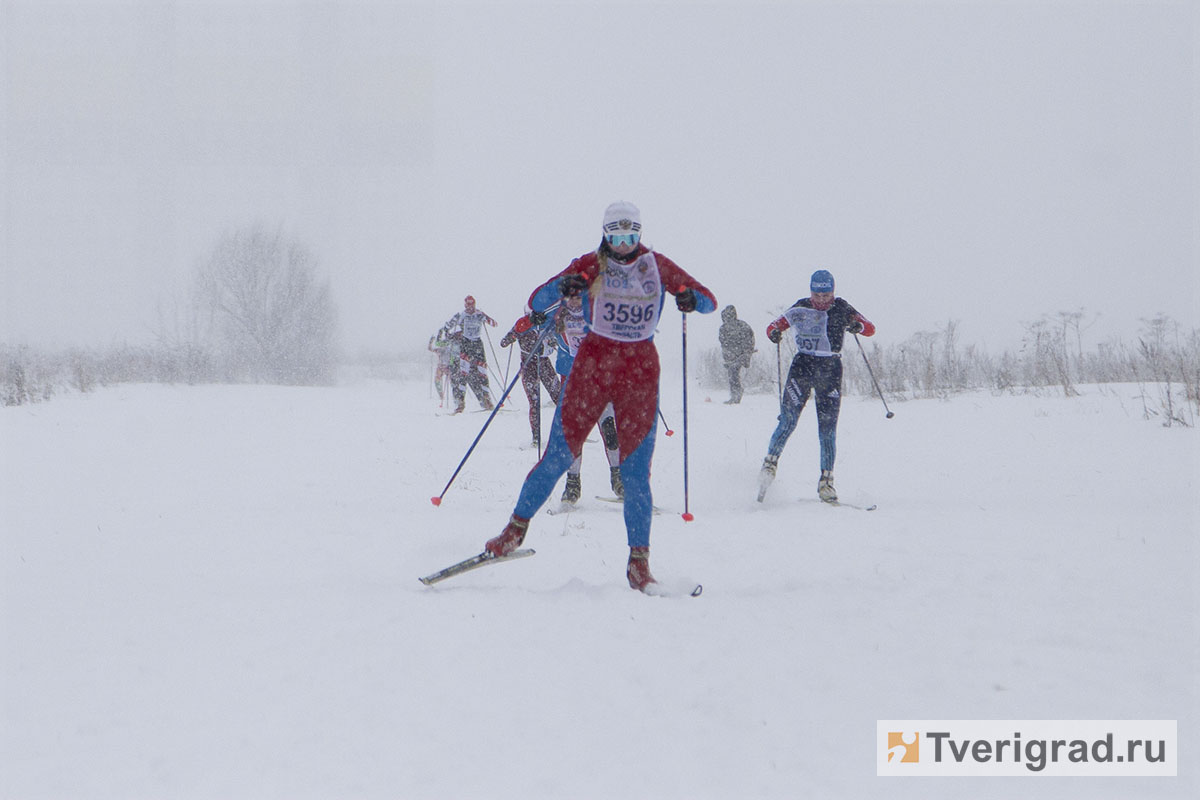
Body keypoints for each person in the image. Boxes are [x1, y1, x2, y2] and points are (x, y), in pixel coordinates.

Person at [482, 201, 716, 592]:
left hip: (639, 372)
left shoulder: (658, 266)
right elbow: (538, 299)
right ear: (605, 235)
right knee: (558, 455)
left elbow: (708, 299)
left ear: (640, 235)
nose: (624, 245)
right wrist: (567, 284)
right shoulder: (590, 263)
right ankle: (514, 531)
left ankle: (638, 563)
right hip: (591, 367)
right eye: (616, 236)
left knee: (636, 472)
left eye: (631, 236)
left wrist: (691, 299)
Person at [757, 269, 875, 503]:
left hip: (829, 369)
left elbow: (870, 327)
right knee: (788, 419)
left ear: (833, 292)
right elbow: (774, 325)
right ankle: (768, 467)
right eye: (817, 295)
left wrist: (857, 327)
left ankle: (826, 483)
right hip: (802, 366)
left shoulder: (842, 307)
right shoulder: (801, 306)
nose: (821, 301)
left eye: (826, 295)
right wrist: (774, 333)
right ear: (811, 292)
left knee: (827, 428)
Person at [551, 292, 623, 502]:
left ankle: (618, 479)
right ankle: (573, 484)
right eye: (570, 295)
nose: (574, 299)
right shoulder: (558, 315)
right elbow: (529, 321)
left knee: (609, 430)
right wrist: (534, 321)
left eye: (578, 293)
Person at [499, 310, 560, 448]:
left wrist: (553, 340)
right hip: (528, 365)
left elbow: (559, 338)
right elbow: (504, 342)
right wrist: (515, 334)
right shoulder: (523, 323)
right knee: (534, 401)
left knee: (559, 397)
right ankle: (536, 438)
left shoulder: (548, 322)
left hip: (544, 363)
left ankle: (569, 432)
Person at [442, 295, 498, 413]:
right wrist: (451, 333)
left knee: (483, 372)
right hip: (466, 344)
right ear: (465, 305)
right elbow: (447, 327)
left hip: (477, 344)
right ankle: (460, 403)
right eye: (468, 305)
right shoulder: (461, 315)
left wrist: (484, 316)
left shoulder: (479, 314)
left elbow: (494, 323)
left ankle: (487, 400)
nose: (470, 307)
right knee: (464, 372)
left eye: (472, 304)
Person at [717, 305, 755, 404]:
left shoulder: (742, 326)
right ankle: (735, 395)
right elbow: (724, 345)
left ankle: (736, 396)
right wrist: (727, 359)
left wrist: (746, 354)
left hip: (742, 355)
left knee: (733, 372)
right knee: (732, 374)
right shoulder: (723, 329)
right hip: (732, 357)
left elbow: (750, 340)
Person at [428, 324, 457, 404]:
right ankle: (441, 396)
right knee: (437, 381)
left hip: (448, 366)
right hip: (441, 366)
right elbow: (431, 348)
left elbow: (453, 357)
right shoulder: (441, 348)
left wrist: (451, 365)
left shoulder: (452, 346)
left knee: (453, 382)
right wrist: (431, 342)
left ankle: (456, 397)